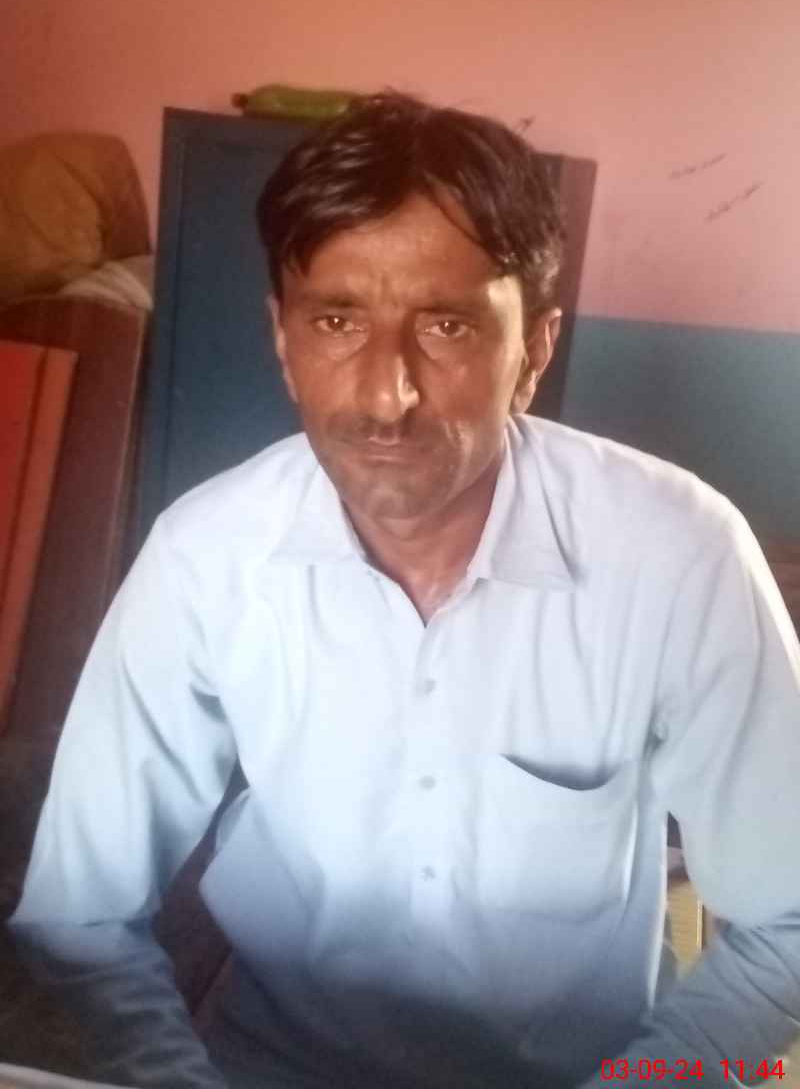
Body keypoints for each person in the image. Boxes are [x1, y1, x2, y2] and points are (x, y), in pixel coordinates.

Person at [7, 92, 800, 1089]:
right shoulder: (206, 557)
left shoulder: (678, 556)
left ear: (534, 350)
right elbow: (78, 915)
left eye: (447, 326)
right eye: (337, 319)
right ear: (283, 339)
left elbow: (787, 917)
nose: (386, 396)